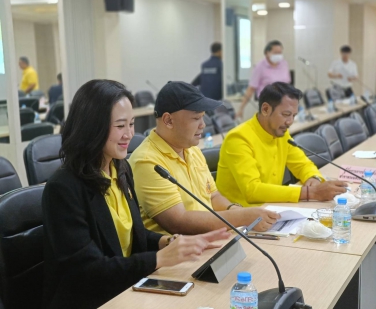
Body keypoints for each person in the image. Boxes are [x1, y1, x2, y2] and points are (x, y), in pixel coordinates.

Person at [42, 79, 230, 309]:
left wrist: (169, 242)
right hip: (95, 300)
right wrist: (159, 259)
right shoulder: (63, 188)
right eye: (120, 126)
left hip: (126, 288)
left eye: (131, 124)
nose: (129, 134)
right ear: (92, 127)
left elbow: (135, 237)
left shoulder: (120, 168)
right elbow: (86, 271)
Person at [129, 81, 279, 235]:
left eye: (203, 117)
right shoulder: (147, 161)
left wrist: (233, 209)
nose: (203, 125)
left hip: (209, 239)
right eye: (196, 118)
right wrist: (241, 217)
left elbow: (213, 196)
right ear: (168, 120)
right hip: (181, 252)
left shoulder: (192, 149)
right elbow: (179, 222)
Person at [217, 82, 347, 207]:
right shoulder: (238, 139)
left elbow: (302, 164)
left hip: (271, 210)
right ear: (266, 109)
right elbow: (252, 190)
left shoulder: (281, 134)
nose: (290, 122)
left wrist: (314, 178)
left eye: (294, 115)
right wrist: (311, 192)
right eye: (286, 114)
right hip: (240, 220)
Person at [236, 40, 291, 119]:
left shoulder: (284, 64)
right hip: (268, 104)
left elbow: (287, 84)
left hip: (283, 103)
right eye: (275, 52)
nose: (278, 55)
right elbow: (251, 88)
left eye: (280, 52)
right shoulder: (260, 67)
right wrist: (241, 108)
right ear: (267, 53)